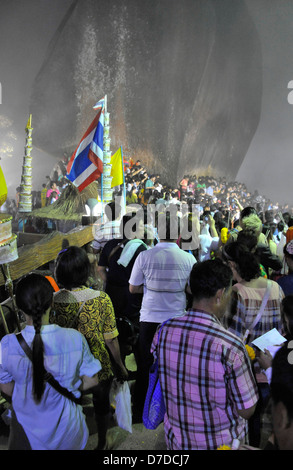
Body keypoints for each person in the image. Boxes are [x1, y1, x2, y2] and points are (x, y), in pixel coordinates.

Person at [151, 258, 258, 450]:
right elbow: (247, 410)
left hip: (177, 442)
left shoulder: (163, 330)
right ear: (220, 294)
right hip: (219, 444)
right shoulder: (231, 346)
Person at [0, 273, 101, 450]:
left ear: (20, 309)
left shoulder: (7, 344)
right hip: (70, 433)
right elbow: (92, 379)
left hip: (29, 437)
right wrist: (68, 384)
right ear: (52, 303)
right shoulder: (75, 338)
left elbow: (7, 388)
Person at [52, 245, 128, 449]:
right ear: (85, 271)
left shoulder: (54, 301)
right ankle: (102, 442)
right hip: (97, 366)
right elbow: (110, 339)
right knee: (101, 405)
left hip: (65, 366)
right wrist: (120, 365)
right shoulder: (101, 300)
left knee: (70, 404)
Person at [129, 210, 196, 420]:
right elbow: (191, 290)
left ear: (157, 232)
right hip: (176, 318)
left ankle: (142, 409)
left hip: (149, 318)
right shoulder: (189, 259)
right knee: (175, 365)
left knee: (146, 364)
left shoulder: (145, 256)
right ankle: (173, 410)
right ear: (178, 235)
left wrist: (151, 289)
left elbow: (133, 288)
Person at [222, 241, 284, 447]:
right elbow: (283, 331)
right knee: (270, 429)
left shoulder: (237, 292)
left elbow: (232, 338)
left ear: (232, 266)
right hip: (271, 369)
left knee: (251, 430)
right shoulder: (275, 287)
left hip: (247, 375)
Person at [97, 212, 148, 361]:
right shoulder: (141, 249)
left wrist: (111, 281)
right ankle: (130, 359)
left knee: (113, 326)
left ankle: (114, 359)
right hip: (132, 296)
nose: (142, 229)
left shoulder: (111, 244)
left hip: (111, 293)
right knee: (131, 329)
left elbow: (100, 268)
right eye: (140, 226)